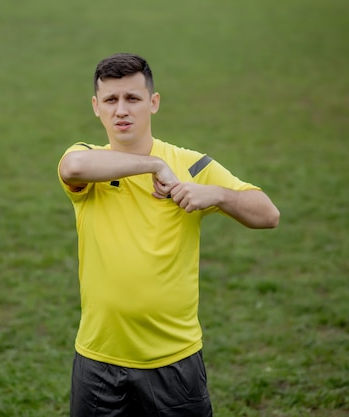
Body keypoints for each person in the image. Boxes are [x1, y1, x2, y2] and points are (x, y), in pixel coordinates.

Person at [57, 52, 280, 417]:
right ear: (96, 108)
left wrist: (219, 195)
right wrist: (154, 166)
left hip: (175, 361)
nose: (121, 110)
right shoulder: (88, 158)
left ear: (153, 103)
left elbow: (269, 215)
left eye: (133, 98)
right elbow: (72, 167)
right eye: (111, 100)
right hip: (98, 360)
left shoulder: (192, 166)